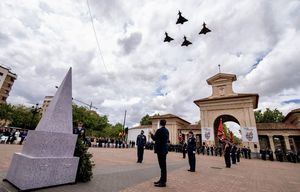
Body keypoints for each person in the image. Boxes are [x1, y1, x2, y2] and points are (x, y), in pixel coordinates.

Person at [150, 119, 169, 187]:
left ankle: (163, 182)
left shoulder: (159, 130)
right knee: (163, 166)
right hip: (164, 150)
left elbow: (155, 138)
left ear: (160, 124)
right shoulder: (166, 130)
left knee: (162, 166)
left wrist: (151, 133)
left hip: (160, 150)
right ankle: (162, 180)